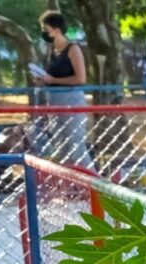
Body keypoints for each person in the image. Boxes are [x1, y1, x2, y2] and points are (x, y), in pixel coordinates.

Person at [34, 10, 93, 168]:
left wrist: (53, 80)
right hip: (54, 104)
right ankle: (71, 189)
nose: (44, 33)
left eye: (46, 30)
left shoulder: (73, 49)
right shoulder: (51, 51)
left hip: (72, 103)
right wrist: (43, 80)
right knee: (61, 149)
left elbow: (80, 79)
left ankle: (95, 187)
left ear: (56, 30)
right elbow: (52, 77)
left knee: (76, 148)